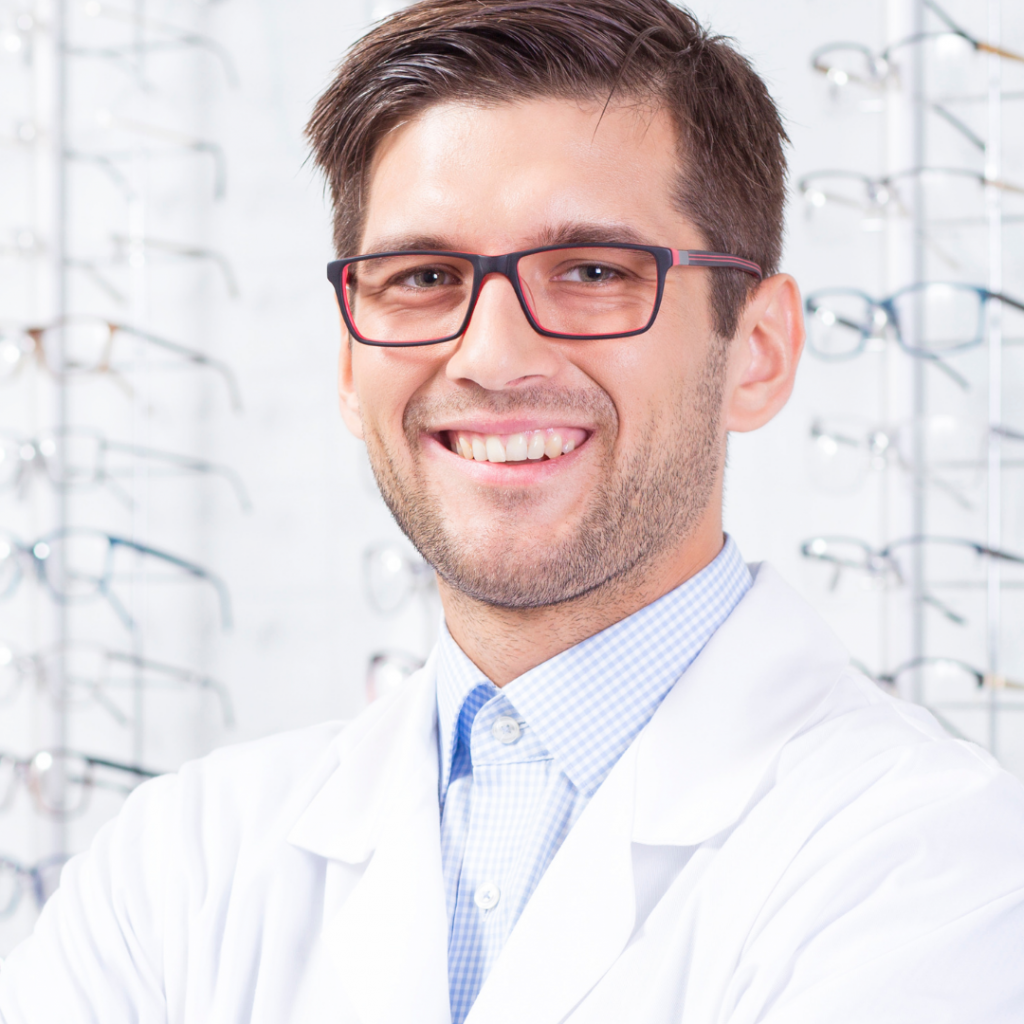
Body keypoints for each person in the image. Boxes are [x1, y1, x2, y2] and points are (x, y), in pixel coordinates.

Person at [3, 0, 1024, 1020]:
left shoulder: (929, 860)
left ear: (757, 353)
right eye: (423, 277)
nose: (491, 357)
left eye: (592, 271)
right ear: (351, 366)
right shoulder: (176, 869)